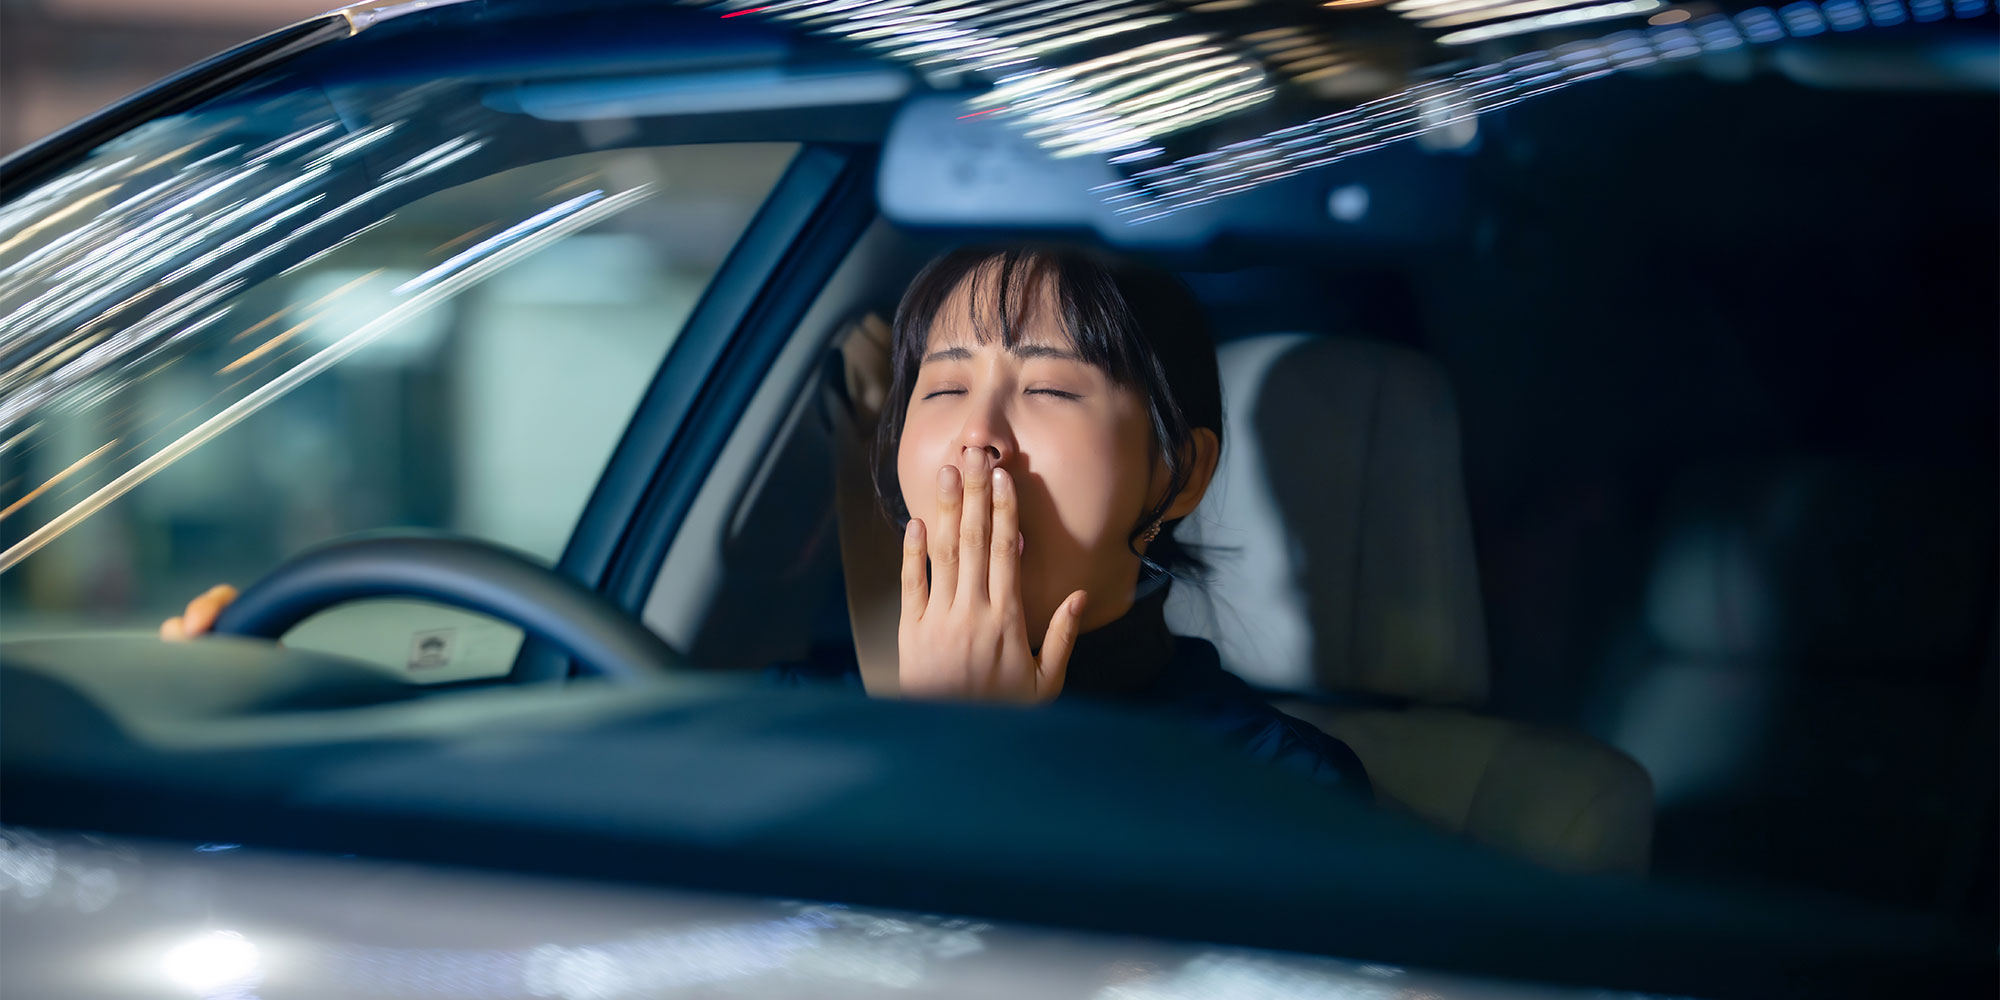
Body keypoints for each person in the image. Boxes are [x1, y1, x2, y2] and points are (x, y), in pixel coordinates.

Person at [164, 245, 1370, 794]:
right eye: (940, 388)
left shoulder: (1279, 791)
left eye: (1050, 388)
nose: (976, 437)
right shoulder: (770, 718)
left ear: (1178, 473)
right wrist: (268, 711)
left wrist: (973, 763)